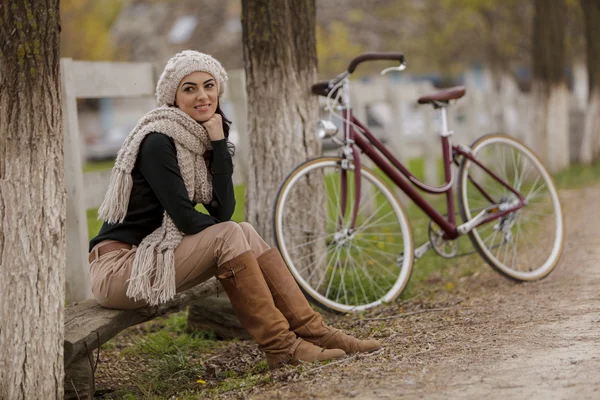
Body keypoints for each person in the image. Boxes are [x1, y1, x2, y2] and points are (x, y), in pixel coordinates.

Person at [88, 50, 381, 369]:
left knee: (243, 231)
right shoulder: (158, 140)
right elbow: (186, 219)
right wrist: (220, 228)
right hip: (120, 271)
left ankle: (317, 333)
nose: (202, 96)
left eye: (209, 85)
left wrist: (218, 144)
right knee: (230, 233)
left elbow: (223, 211)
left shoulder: (196, 140)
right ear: (172, 97)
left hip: (152, 259)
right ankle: (281, 347)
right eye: (189, 88)